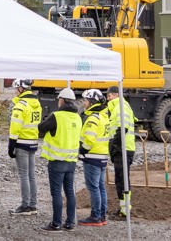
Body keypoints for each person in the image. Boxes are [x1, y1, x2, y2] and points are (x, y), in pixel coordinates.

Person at [38, 87, 83, 232]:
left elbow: (41, 127)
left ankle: (56, 223)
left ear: (62, 100)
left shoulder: (57, 116)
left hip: (57, 161)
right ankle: (70, 222)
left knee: (56, 192)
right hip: (71, 161)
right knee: (69, 191)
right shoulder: (78, 117)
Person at [8, 78, 41, 216]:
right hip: (33, 142)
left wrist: (11, 144)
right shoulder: (37, 104)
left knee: (23, 175)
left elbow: (15, 126)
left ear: (21, 89)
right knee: (31, 175)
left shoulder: (20, 105)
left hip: (21, 143)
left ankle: (25, 205)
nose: (15, 91)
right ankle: (33, 205)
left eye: (16, 89)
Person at [78, 88, 110, 226]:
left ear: (91, 102)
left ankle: (95, 216)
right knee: (101, 188)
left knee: (94, 188)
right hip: (102, 156)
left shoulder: (93, 118)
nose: (84, 103)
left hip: (92, 157)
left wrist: (81, 150)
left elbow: (89, 140)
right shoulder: (103, 116)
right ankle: (102, 216)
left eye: (85, 100)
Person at [105, 86, 136, 219]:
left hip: (123, 148)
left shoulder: (120, 107)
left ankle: (125, 211)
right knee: (120, 179)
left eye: (109, 96)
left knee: (122, 180)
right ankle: (123, 208)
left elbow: (122, 129)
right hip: (123, 147)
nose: (108, 99)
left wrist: (114, 145)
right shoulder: (120, 106)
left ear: (115, 95)